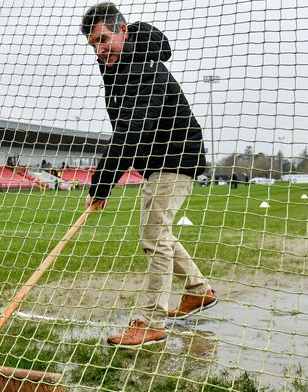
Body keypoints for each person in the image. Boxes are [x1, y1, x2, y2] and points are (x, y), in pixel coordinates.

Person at [81, 2, 217, 348]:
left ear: (123, 31)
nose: (99, 49)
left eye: (104, 38)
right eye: (94, 44)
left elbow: (129, 133)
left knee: (153, 236)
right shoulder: (117, 68)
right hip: (160, 161)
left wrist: (100, 185)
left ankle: (151, 321)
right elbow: (128, 132)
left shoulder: (141, 68)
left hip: (174, 158)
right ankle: (199, 290)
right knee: (161, 233)